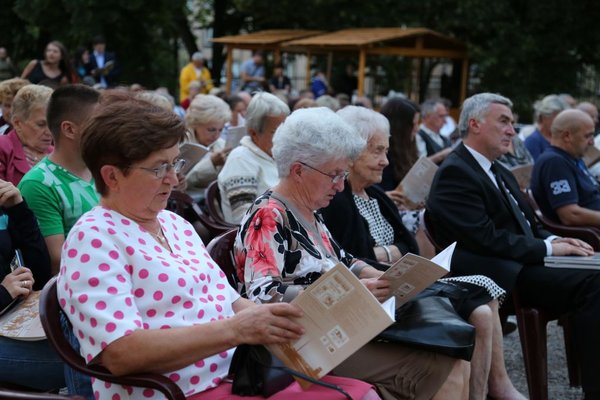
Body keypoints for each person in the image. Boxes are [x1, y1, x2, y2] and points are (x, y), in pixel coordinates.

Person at [58, 93, 378, 400]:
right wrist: (236, 330)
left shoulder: (174, 224)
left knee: (365, 392)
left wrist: (294, 319)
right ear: (112, 176)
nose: (174, 178)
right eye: (160, 168)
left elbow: (233, 302)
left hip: (239, 378)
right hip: (182, 392)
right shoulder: (94, 237)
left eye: (175, 163)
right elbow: (120, 353)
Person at [235, 107, 468, 400]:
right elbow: (263, 294)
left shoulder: (308, 209)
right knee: (441, 364)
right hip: (299, 343)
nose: (341, 185)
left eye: (343, 174)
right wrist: (352, 291)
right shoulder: (268, 215)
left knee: (450, 356)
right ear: (298, 170)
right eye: (334, 175)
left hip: (333, 330)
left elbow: (341, 259)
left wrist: (379, 276)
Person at [322, 105, 525, 400]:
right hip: (381, 293)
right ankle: (493, 389)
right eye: (377, 152)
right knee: (481, 305)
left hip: (400, 282)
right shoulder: (338, 199)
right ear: (351, 153)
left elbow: (410, 247)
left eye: (386, 151)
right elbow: (355, 255)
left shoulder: (376, 194)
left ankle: (491, 389)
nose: (385, 161)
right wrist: (391, 255)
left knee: (484, 304)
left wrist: (386, 253)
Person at [426, 92, 600, 400]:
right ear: (475, 124)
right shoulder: (456, 171)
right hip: (498, 273)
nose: (512, 130)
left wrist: (553, 240)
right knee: (595, 283)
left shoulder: (496, 168)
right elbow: (484, 238)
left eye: (512, 122)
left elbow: (529, 224)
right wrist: (547, 250)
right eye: (504, 121)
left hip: (521, 263)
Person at [18, 84, 100, 274]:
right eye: (98, 124)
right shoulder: (39, 184)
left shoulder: (103, 168)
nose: (106, 130)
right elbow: (58, 261)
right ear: (69, 130)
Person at [0, 178, 64, 390]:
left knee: (85, 341)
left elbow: (41, 272)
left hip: (15, 318)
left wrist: (18, 208)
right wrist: (3, 292)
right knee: (80, 361)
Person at [218, 92, 289, 224]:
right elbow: (243, 217)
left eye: (285, 130)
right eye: (275, 132)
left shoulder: (275, 156)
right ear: (254, 133)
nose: (283, 137)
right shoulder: (240, 159)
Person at [378, 97, 434, 258]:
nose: (417, 128)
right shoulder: (384, 156)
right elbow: (378, 192)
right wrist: (388, 197)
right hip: (389, 213)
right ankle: (429, 275)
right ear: (402, 126)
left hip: (404, 209)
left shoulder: (408, 149)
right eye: (414, 124)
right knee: (421, 221)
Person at [530, 109, 600, 225]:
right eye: (588, 136)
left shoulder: (571, 158)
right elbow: (570, 215)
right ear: (567, 136)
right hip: (586, 237)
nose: (592, 142)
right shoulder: (554, 162)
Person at [0, 84, 53, 185]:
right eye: (41, 125)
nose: (49, 132)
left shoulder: (56, 153)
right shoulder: (3, 147)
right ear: (17, 123)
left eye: (52, 124)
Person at [184, 94, 232, 191]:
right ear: (195, 124)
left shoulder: (221, 144)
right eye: (211, 130)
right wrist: (211, 163)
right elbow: (180, 182)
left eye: (221, 130)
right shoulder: (182, 144)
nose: (216, 135)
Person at [524, 94, 570, 161]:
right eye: (554, 117)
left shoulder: (561, 138)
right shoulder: (533, 140)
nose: (558, 122)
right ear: (543, 117)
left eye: (561, 118)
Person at [416, 99, 453, 164]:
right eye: (441, 116)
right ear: (427, 117)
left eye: (445, 116)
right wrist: (441, 155)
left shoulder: (443, 137)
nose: (445, 121)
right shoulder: (418, 135)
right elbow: (420, 165)